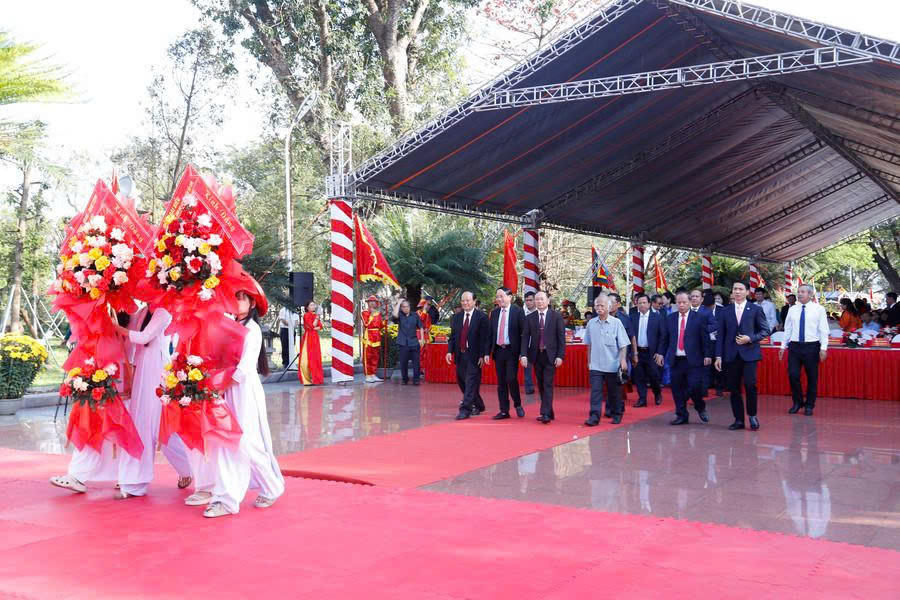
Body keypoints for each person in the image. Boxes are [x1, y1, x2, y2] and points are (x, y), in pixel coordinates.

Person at [202, 279, 285, 518]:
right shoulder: (227, 325)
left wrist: (220, 386)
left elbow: (245, 368)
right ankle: (225, 499)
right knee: (226, 442)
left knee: (248, 442)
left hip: (242, 390)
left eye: (242, 298)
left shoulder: (253, 330)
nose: (237, 302)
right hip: (224, 389)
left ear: (252, 304)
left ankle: (272, 486)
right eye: (235, 297)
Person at [715, 281, 771, 431]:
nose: (737, 292)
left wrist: (750, 338)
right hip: (731, 355)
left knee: (750, 384)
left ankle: (752, 416)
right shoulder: (725, 311)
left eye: (740, 289)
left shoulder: (755, 309)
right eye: (735, 289)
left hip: (750, 353)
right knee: (733, 388)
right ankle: (738, 419)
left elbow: (766, 330)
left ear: (747, 292)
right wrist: (718, 356)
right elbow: (721, 335)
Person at [661, 291, 713, 425]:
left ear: (690, 302)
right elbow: (665, 338)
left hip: (694, 360)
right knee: (676, 388)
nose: (681, 305)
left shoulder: (699, 318)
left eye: (684, 302)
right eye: (679, 302)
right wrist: (660, 353)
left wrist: (707, 355)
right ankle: (682, 415)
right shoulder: (670, 318)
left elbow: (705, 338)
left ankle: (700, 406)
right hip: (676, 359)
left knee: (694, 387)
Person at [779, 284, 830, 416]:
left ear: (811, 294)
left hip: (812, 346)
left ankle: (809, 405)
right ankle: (797, 402)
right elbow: (788, 328)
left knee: (812, 377)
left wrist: (823, 348)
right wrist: (782, 346)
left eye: (803, 292)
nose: (800, 294)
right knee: (793, 374)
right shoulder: (792, 309)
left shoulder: (819, 309)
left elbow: (824, 330)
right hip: (795, 346)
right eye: (799, 292)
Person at [583, 293, 629, 425]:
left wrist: (623, 360)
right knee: (596, 392)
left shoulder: (616, 323)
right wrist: (589, 362)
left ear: (609, 307)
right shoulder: (591, 323)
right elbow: (589, 345)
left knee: (614, 392)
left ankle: (616, 414)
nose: (599, 308)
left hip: (612, 365)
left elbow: (623, 344)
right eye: (597, 305)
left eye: (602, 305)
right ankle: (594, 417)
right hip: (596, 365)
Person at [520, 291, 565, 424]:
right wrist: (523, 355)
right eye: (537, 299)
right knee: (540, 384)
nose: (539, 301)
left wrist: (560, 356)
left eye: (541, 299)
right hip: (536, 355)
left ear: (548, 301)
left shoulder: (556, 316)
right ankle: (549, 411)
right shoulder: (530, 317)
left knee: (547, 383)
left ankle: (545, 413)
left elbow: (561, 338)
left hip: (550, 355)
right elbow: (525, 337)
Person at [447, 291, 490, 420]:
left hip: (475, 356)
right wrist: (449, 351)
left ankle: (465, 409)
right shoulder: (457, 317)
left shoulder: (481, 317)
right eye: (463, 300)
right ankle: (479, 404)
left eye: (468, 300)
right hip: (460, 354)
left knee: (471, 382)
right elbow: (453, 337)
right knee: (462, 382)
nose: (465, 303)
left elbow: (485, 338)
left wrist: (483, 355)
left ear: (474, 301)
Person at [486, 287, 526, 419]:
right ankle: (504, 410)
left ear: (510, 297)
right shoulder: (495, 313)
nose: (499, 299)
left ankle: (518, 404)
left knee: (511, 378)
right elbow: (490, 334)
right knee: (501, 381)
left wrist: (523, 353)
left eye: (501, 296)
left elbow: (524, 334)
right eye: (497, 297)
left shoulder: (518, 312)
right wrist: (487, 352)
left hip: (512, 351)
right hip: (498, 350)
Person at [630, 293, 665, 407]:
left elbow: (662, 336)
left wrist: (660, 352)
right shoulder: (633, 317)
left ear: (649, 304)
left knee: (654, 375)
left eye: (644, 302)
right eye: (639, 303)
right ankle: (642, 399)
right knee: (639, 376)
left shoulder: (657, 317)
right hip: (638, 352)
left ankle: (657, 393)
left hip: (652, 352)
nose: (642, 305)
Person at [391, 298, 425, 385]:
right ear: (401, 308)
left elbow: (421, 327)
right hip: (403, 343)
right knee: (403, 362)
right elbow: (394, 315)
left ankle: (416, 380)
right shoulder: (400, 315)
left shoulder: (415, 315)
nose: (406, 308)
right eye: (404, 307)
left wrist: (422, 338)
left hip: (414, 342)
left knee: (416, 362)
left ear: (410, 307)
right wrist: (398, 302)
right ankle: (404, 379)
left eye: (407, 306)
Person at [298, 300, 324, 385]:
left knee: (315, 357)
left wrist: (314, 326)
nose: (313, 306)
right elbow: (312, 326)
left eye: (314, 305)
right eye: (311, 305)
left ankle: (316, 378)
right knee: (306, 358)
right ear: (307, 307)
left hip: (315, 337)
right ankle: (306, 379)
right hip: (308, 338)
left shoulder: (314, 315)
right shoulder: (306, 315)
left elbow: (320, 327)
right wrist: (317, 318)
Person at [362, 295, 385, 383]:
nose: (372, 303)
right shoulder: (364, 312)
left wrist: (385, 321)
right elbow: (366, 324)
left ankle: (373, 374)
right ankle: (368, 375)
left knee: (375, 356)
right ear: (368, 303)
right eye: (370, 301)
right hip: (369, 336)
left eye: (374, 301)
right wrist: (371, 315)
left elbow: (380, 326)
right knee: (368, 356)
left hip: (377, 336)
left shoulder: (378, 314)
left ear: (376, 303)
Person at [522, 291, 537, 395]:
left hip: (538, 345)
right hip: (526, 345)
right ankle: (529, 387)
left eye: (530, 300)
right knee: (527, 368)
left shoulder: (541, 313)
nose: (528, 302)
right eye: (526, 300)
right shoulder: (521, 313)